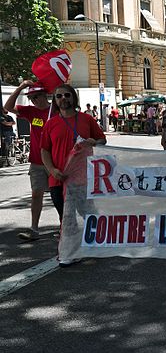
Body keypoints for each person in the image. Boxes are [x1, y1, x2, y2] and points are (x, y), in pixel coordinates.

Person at [40, 84, 106, 266]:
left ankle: (98, 242)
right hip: (58, 178)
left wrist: (95, 141)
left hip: (82, 177)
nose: (63, 99)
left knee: (89, 213)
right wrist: (52, 170)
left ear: (74, 98)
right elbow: (44, 150)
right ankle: (69, 252)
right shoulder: (50, 123)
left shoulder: (86, 119)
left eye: (66, 95)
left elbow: (102, 139)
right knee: (66, 216)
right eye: (58, 96)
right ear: (55, 100)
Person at [4, 81, 58, 240]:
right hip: (36, 161)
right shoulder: (30, 112)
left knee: (59, 196)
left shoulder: (56, 111)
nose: (34, 100)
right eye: (31, 98)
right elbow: (8, 107)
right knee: (36, 194)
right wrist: (20, 88)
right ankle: (34, 229)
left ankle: (66, 227)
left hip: (55, 161)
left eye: (36, 96)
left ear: (44, 95)